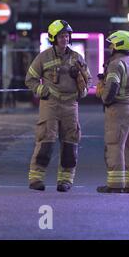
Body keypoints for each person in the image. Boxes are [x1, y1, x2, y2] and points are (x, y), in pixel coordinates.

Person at [25, 20, 92, 192]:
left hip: (71, 105)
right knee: (46, 141)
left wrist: (82, 88)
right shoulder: (43, 57)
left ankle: (65, 180)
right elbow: (30, 79)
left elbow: (88, 79)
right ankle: (36, 178)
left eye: (67, 36)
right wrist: (42, 90)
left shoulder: (77, 58)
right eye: (61, 36)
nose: (65, 39)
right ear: (53, 38)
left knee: (70, 143)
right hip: (51, 104)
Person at [96, 30, 129, 194]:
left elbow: (111, 88)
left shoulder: (116, 64)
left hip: (119, 109)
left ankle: (115, 184)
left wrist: (104, 98)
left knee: (115, 144)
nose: (110, 48)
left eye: (111, 44)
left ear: (118, 45)